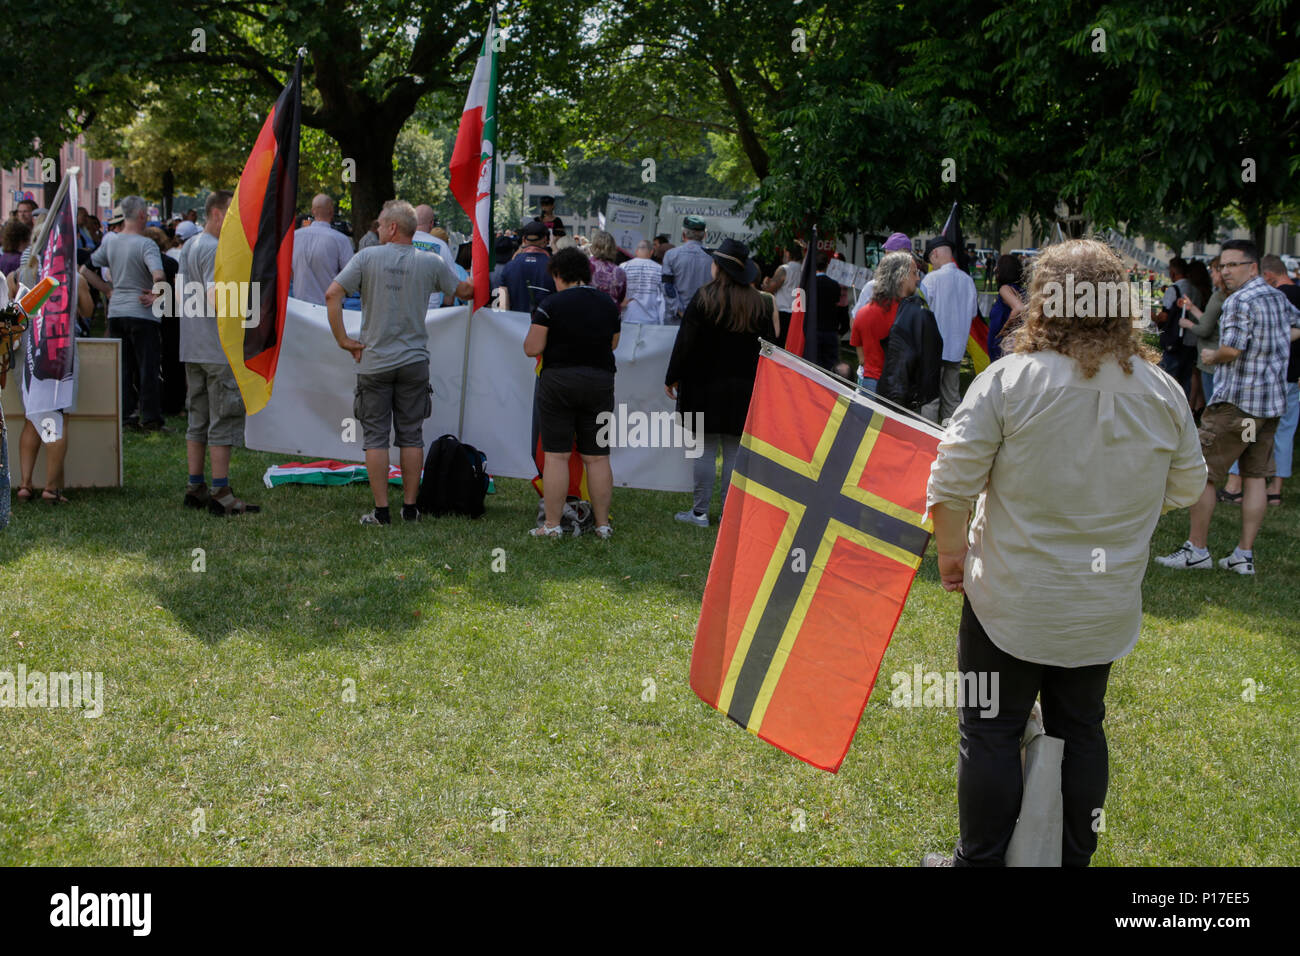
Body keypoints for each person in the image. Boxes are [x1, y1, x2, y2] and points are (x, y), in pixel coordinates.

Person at [924, 239, 1206, 867]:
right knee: (1081, 730)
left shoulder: (1011, 380)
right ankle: (1073, 858)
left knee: (991, 731)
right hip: (1100, 607)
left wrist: (950, 557)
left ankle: (982, 862)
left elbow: (950, 482)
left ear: (1045, 299)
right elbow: (1187, 487)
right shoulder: (1160, 390)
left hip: (1009, 597)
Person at [324, 199, 474, 525]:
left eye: (379, 223)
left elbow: (332, 294)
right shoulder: (431, 262)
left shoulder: (366, 258)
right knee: (411, 435)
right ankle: (410, 508)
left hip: (374, 360)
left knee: (375, 437)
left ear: (392, 228)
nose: (377, 228)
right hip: (414, 362)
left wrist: (342, 339)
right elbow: (465, 289)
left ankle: (381, 511)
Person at [1156, 240, 1300, 575]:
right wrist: (1274, 343)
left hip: (1236, 406)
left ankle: (1197, 549)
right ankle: (1243, 555)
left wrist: (1209, 355)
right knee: (1254, 479)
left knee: (1204, 474)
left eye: (1234, 265)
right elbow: (1295, 327)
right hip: (1267, 408)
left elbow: (1231, 351)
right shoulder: (1277, 297)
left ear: (1253, 267)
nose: (1225, 272)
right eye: (1222, 266)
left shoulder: (1239, 302)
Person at [664, 238, 777, 526]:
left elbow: (685, 342)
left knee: (704, 450)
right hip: (744, 388)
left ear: (719, 268)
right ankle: (729, 514)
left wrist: (672, 375)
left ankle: (699, 512)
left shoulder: (703, 299)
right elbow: (770, 349)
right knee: (734, 452)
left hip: (703, 386)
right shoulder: (760, 304)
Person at [522, 246, 620, 539]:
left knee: (557, 456)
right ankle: (603, 525)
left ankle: (552, 525)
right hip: (601, 382)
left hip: (559, 383)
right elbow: (613, 344)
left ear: (558, 274)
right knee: (598, 457)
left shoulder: (550, 305)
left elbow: (532, 348)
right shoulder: (608, 304)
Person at [176, 189, 260, 516]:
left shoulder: (190, 245)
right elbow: (216, 298)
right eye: (233, 215)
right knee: (223, 419)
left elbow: (182, 296)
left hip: (193, 346)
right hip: (216, 348)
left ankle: (195, 486)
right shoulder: (215, 249)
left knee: (197, 418)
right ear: (216, 214)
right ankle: (221, 492)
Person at [1217, 254, 1300, 506]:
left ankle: (1234, 484)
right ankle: (1275, 488)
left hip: (1259, 382)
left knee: (1244, 435)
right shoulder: (1288, 298)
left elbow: (1233, 348)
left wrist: (1212, 356)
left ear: (1266, 275)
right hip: (1286, 380)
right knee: (1282, 434)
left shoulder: (1265, 299)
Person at [89, 195, 167, 431]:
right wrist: (156, 294)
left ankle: (126, 416)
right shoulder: (146, 245)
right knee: (148, 367)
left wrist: (108, 291)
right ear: (142, 215)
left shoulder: (111, 241)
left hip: (117, 311)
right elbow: (159, 275)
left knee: (123, 367)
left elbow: (87, 268)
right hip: (142, 312)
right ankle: (151, 417)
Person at [921, 236, 978, 422]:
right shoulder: (967, 280)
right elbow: (972, 314)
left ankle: (927, 438)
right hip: (956, 350)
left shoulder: (931, 279)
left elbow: (922, 313)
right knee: (952, 398)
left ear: (935, 254)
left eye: (930, 259)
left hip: (933, 349)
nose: (931, 264)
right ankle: (950, 438)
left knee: (930, 398)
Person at [850, 251, 912, 393]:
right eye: (912, 273)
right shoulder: (907, 312)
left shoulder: (863, 313)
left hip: (870, 379)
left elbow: (860, 355)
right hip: (897, 382)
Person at [143, 225, 186, 417]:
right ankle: (172, 402)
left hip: (145, 311)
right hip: (169, 313)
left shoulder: (141, 263)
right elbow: (178, 290)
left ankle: (145, 401)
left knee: (146, 360)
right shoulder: (169, 264)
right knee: (171, 360)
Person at [1178, 256, 1225, 412]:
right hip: (1216, 356)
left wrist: (1188, 324)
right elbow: (1208, 320)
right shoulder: (1220, 295)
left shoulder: (1219, 297)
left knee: (1215, 408)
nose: (1211, 274)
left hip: (1211, 357)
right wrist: (1192, 308)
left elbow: (1205, 329)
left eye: (1212, 271)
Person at [291, 193, 353, 305]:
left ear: (312, 211)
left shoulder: (294, 237)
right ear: (331, 211)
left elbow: (289, 271)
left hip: (299, 306)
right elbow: (350, 277)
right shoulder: (341, 240)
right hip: (329, 309)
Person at [661, 216, 713, 324]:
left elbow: (667, 286)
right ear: (704, 235)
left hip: (676, 320)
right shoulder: (713, 257)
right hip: (704, 318)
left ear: (683, 234)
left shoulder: (671, 255)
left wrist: (680, 311)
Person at [495, 220, 554, 312]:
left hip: (515, 324)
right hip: (546, 324)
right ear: (546, 240)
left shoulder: (509, 266)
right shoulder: (555, 267)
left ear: (523, 240)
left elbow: (503, 306)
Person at [853, 232, 913, 316]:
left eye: (886, 254)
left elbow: (855, 319)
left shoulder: (873, 287)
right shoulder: (914, 289)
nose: (884, 258)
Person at [412, 204, 456, 309]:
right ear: (431, 223)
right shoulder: (441, 245)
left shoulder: (399, 241)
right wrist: (445, 307)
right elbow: (452, 283)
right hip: (430, 311)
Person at [986, 254, 1026, 362]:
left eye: (997, 266)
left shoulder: (1005, 289)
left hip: (1003, 344)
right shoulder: (1021, 291)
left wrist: (1004, 331)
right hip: (1011, 342)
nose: (995, 269)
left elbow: (1019, 308)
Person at [814, 251, 849, 370]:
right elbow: (838, 305)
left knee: (815, 364)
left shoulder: (810, 284)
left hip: (814, 329)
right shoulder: (834, 285)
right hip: (830, 329)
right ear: (827, 266)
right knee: (831, 365)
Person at [762, 245, 800, 349]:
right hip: (797, 314)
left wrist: (764, 284)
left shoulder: (784, 269)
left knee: (778, 346)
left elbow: (770, 288)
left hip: (782, 313)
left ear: (788, 253)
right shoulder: (803, 269)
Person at [619, 240, 665, 325]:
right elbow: (662, 297)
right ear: (651, 252)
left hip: (627, 316)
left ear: (636, 251)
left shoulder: (623, 266)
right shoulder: (659, 269)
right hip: (650, 318)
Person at [586, 229, 626, 307]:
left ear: (593, 246)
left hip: (589, 310)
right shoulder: (619, 271)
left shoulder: (586, 265)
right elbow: (621, 296)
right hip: (611, 312)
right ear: (613, 248)